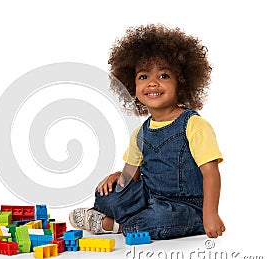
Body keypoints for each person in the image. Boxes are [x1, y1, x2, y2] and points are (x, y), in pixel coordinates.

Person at [69, 24, 225, 239]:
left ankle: (116, 225)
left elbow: (211, 173)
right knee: (106, 195)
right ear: (132, 86)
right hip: (149, 197)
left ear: (181, 83)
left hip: (184, 206)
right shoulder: (141, 133)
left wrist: (210, 214)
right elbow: (130, 175)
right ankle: (121, 216)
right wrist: (117, 177)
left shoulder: (194, 125)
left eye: (163, 76)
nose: (152, 83)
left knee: (152, 222)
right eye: (143, 77)